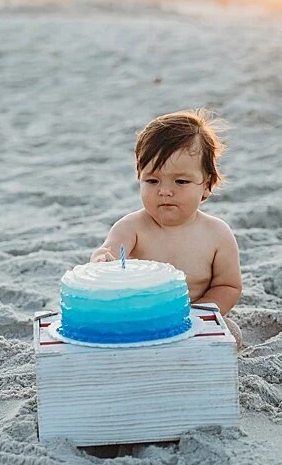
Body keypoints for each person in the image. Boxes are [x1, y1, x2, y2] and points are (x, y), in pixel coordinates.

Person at [91, 109, 242, 338]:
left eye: (181, 181)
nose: (164, 191)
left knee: (232, 333)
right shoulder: (132, 227)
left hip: (194, 319)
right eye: (152, 181)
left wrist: (196, 314)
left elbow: (228, 286)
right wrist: (102, 261)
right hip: (140, 319)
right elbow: (108, 251)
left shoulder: (217, 234)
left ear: (207, 184)